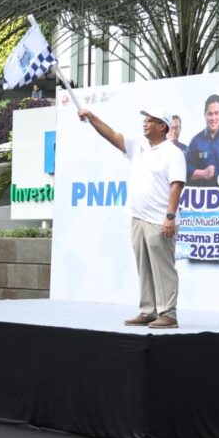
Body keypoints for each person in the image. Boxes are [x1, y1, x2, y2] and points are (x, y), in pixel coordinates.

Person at [77, 106, 186, 328]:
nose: (145, 123)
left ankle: (168, 314)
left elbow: (177, 185)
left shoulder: (173, 153)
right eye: (144, 120)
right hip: (138, 218)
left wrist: (170, 216)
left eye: (150, 120)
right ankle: (148, 311)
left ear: (162, 126)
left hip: (160, 220)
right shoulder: (138, 145)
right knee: (144, 267)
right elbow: (113, 136)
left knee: (163, 268)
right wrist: (92, 118)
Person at [185, 94, 219, 187]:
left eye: (216, 113)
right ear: (205, 115)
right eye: (210, 114)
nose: (213, 118)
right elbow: (186, 170)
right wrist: (203, 173)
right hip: (203, 197)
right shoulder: (196, 141)